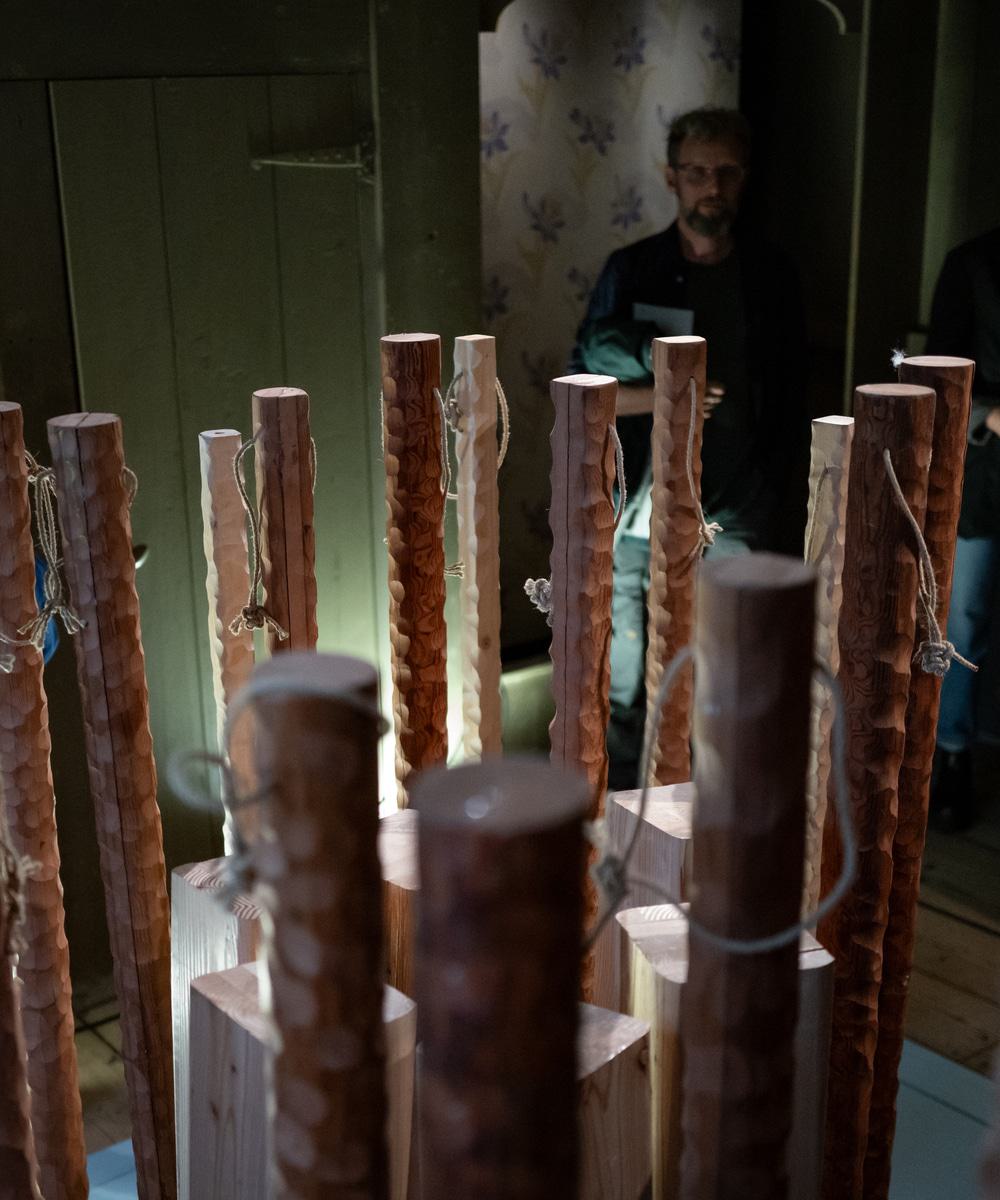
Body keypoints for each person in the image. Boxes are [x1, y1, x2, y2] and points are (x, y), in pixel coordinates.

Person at [569, 106, 809, 788]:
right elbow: (584, 377)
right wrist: (665, 394)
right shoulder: (633, 269)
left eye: (726, 171)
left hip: (738, 504)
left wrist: (777, 490)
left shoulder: (771, 274)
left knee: (732, 655)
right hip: (638, 500)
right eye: (698, 171)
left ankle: (716, 801)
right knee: (624, 661)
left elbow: (790, 394)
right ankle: (624, 798)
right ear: (671, 176)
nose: (713, 186)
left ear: (745, 177)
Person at [926, 227, 1000, 831]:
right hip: (984, 472)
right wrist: (990, 415)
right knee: (964, 618)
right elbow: (934, 376)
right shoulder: (974, 263)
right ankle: (950, 753)